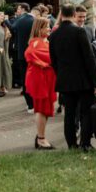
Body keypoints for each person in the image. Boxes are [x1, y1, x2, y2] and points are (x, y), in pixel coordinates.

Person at [48, 4, 96, 151]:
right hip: (83, 80)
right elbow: (89, 58)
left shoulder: (54, 35)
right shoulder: (79, 32)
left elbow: (53, 60)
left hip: (65, 80)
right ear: (73, 14)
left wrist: (60, 75)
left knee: (69, 114)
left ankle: (71, 144)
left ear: (61, 14)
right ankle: (85, 143)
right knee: (86, 113)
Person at [25, 17, 57, 149]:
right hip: (41, 79)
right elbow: (29, 54)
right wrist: (43, 63)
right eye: (47, 27)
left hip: (46, 79)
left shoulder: (43, 41)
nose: (49, 29)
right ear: (39, 28)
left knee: (45, 108)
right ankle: (41, 139)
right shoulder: (37, 42)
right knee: (41, 109)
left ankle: (41, 136)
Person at [12, 3, 36, 110]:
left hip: (22, 53)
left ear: (23, 9)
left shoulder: (20, 20)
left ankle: (30, 104)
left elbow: (13, 28)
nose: (17, 11)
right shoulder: (35, 20)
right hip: (35, 53)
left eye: (18, 9)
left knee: (25, 78)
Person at [0, 11, 14, 94]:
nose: (3, 17)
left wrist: (8, 36)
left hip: (4, 50)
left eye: (4, 16)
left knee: (5, 68)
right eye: (2, 16)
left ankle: (4, 86)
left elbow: (8, 36)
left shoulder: (4, 26)